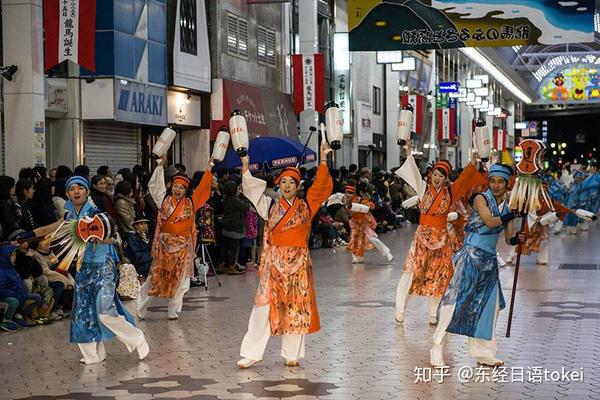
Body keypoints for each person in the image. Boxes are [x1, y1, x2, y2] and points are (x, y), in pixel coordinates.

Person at [236, 143, 333, 369]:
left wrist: (324, 159)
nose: (287, 185)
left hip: (298, 262)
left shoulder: (307, 205)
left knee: (296, 306)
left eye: (292, 182)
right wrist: (245, 168)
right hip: (274, 262)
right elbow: (252, 191)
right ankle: (251, 352)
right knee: (262, 306)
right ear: (278, 185)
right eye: (283, 182)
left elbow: (320, 187)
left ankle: (293, 353)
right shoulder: (269, 205)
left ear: (298, 186)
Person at [430, 164, 524, 367]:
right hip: (470, 257)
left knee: (491, 306)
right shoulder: (481, 198)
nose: (496, 185)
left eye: (501, 182)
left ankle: (483, 352)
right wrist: (513, 215)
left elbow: (508, 239)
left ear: (507, 184)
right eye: (493, 181)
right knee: (455, 303)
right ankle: (437, 347)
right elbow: (490, 222)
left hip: (489, 261)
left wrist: (518, 238)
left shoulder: (507, 208)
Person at [394, 144, 487, 326]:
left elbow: (466, 178)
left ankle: (432, 314)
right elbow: (413, 171)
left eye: (441, 176)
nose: (437, 178)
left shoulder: (450, 193)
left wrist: (475, 160)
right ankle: (400, 308)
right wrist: (408, 151)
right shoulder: (423, 188)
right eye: (435, 174)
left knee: (440, 275)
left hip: (442, 239)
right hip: (422, 237)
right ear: (431, 175)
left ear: (446, 179)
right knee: (412, 272)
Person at [62, 175, 149, 364]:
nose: (76, 192)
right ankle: (93, 355)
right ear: (67, 194)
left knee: (104, 312)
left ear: (87, 191)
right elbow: (56, 230)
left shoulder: (96, 214)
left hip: (103, 265)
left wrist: (96, 238)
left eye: (80, 188)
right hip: (83, 269)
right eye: (71, 189)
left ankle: (137, 338)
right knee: (83, 313)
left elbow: (112, 237)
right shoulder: (68, 216)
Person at [136, 156, 213, 320]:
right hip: (165, 245)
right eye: (175, 186)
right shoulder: (163, 200)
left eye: (182, 188)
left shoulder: (191, 203)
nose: (178, 190)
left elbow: (203, 188)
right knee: (156, 277)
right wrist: (159, 166)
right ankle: (141, 307)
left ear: (186, 190)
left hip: (184, 245)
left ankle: (173, 310)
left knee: (182, 280)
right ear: (171, 186)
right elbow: (155, 187)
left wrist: (209, 167)